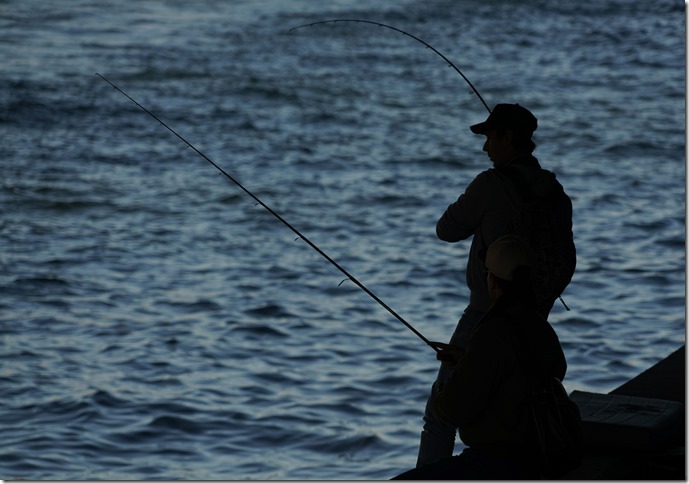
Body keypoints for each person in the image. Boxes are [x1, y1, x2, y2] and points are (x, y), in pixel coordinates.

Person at [416, 103, 575, 467]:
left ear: (507, 137)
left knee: (441, 412)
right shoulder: (555, 193)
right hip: (535, 320)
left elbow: (446, 230)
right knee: (516, 404)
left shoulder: (490, 184)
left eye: (489, 137)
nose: (485, 148)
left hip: (485, 315)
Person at [394, 235, 567, 480]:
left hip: (500, 463)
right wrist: (469, 360)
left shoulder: (493, 331)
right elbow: (536, 371)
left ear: (493, 282)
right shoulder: (540, 326)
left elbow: (451, 410)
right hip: (540, 455)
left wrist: (448, 384)